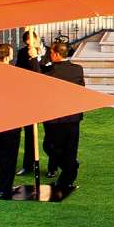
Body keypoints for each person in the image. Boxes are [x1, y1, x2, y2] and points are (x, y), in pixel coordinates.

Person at [41, 39, 85, 197]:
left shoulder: (50, 71)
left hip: (56, 118)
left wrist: (34, 59)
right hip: (73, 117)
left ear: (57, 54)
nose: (50, 55)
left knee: (50, 146)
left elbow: (36, 76)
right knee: (70, 149)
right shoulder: (77, 69)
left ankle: (70, 168)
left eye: (51, 52)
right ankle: (68, 174)